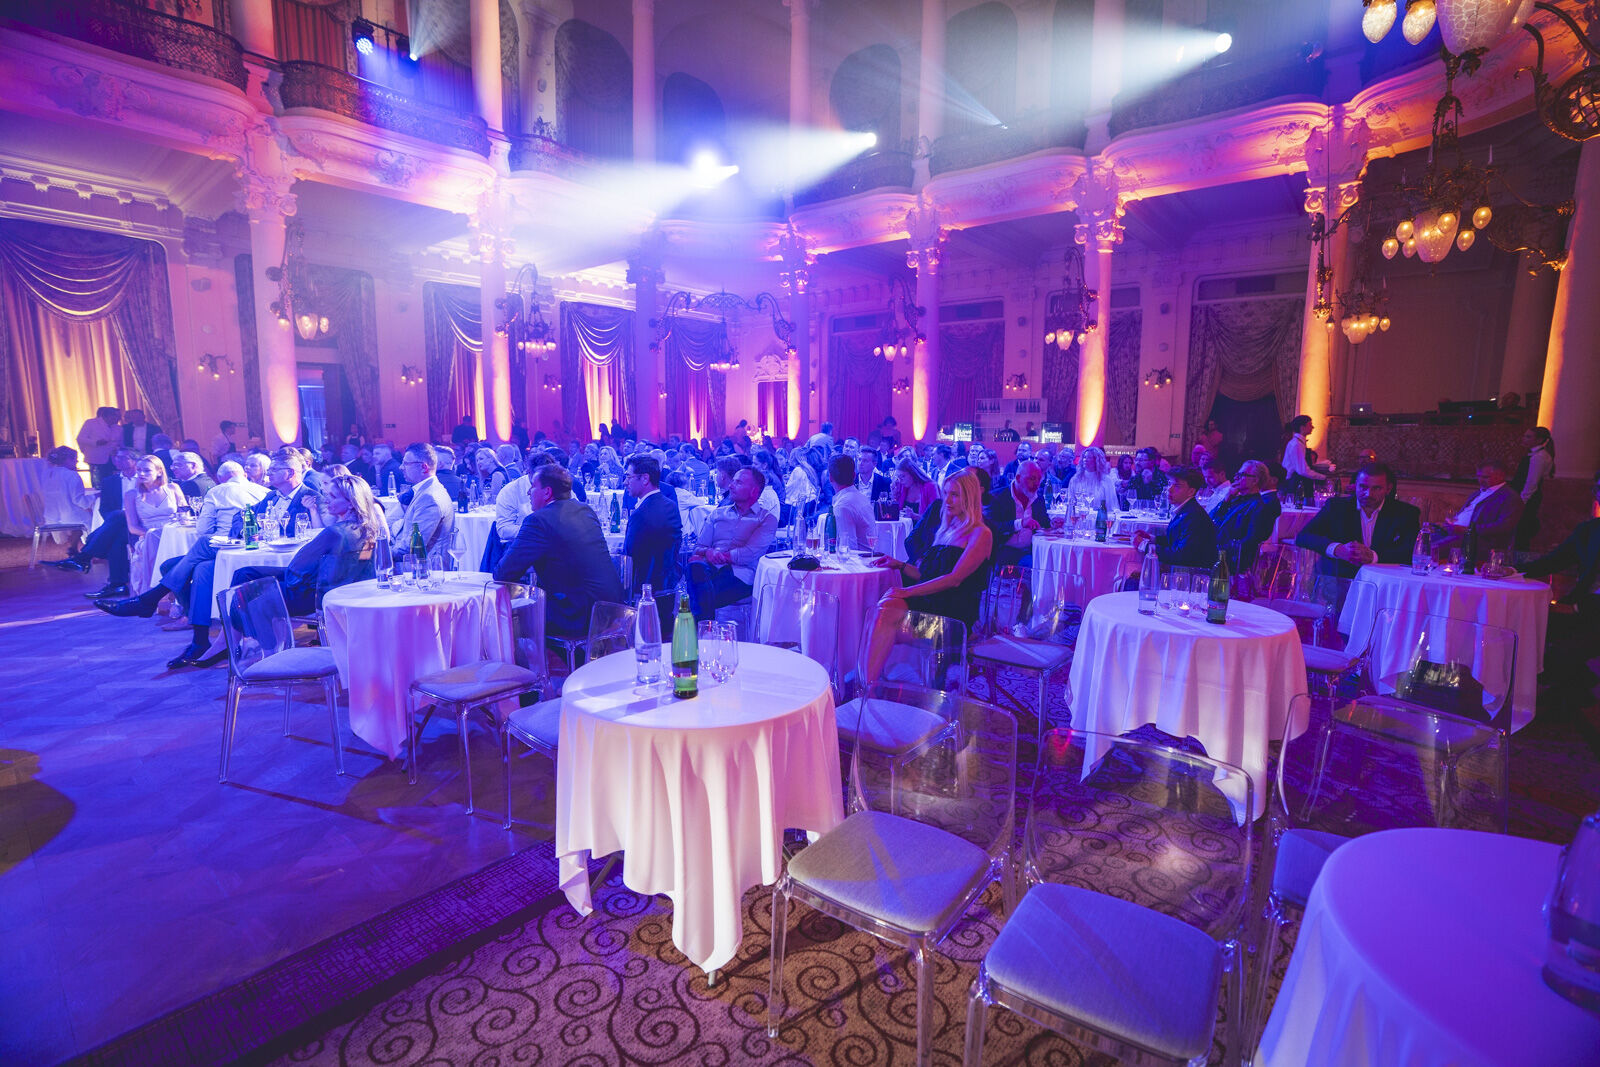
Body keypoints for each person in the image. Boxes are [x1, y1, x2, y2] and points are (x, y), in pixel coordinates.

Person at [864, 469, 994, 678]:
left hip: (952, 617)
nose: (947, 500)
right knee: (884, 607)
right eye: (946, 493)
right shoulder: (948, 527)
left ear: (969, 497)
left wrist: (907, 592)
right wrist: (900, 565)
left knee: (884, 617)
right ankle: (870, 682)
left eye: (955, 494)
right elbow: (926, 575)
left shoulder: (981, 533)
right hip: (930, 605)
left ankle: (869, 683)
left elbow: (954, 579)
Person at [228, 473, 382, 620]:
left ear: (351, 504)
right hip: (337, 587)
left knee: (249, 595)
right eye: (327, 494)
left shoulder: (335, 533)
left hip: (315, 593)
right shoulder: (368, 530)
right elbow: (363, 567)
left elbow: (296, 569)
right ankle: (229, 633)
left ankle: (235, 634)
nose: (326, 500)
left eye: (333, 497)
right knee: (245, 574)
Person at [494, 465, 624, 637]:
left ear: (547, 492)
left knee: (510, 616)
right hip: (613, 607)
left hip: (576, 614)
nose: (528, 492)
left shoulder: (538, 521)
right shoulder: (585, 510)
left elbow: (503, 573)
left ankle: (525, 655)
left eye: (532, 487)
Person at [1295, 462, 1421, 579]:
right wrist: (1338, 549)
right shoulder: (1336, 507)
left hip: (1384, 581)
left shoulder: (1405, 513)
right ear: (1355, 485)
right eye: (1363, 487)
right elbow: (1303, 536)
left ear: (1388, 489)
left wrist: (1374, 556)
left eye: (1376, 488)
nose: (1368, 494)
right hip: (1339, 580)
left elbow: (1412, 551)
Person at [687, 467, 777, 621]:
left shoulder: (766, 519)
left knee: (700, 589)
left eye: (738, 482)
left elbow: (749, 554)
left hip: (742, 573)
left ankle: (700, 627)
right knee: (696, 568)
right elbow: (699, 546)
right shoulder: (717, 513)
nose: (731, 485)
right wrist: (708, 552)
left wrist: (719, 556)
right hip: (710, 567)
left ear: (754, 491)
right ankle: (705, 628)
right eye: (733, 481)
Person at [48, 447, 139, 597]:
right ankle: (117, 585)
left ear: (135, 460)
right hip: (121, 525)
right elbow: (105, 509)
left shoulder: (144, 479)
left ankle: (84, 558)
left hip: (139, 523)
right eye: (116, 457)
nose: (118, 460)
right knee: (116, 533)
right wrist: (116, 521)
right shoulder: (110, 481)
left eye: (124, 457)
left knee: (117, 519)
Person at [621, 454, 682, 628]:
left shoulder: (641, 515)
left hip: (645, 595)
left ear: (645, 479)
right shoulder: (670, 506)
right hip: (668, 588)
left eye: (629, 477)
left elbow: (629, 558)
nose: (625, 482)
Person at [1132, 466, 1219, 571]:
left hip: (1192, 575)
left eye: (1177, 486)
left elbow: (1181, 556)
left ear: (1191, 491)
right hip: (1182, 571)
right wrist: (1152, 538)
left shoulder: (1194, 516)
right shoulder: (1186, 510)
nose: (1169, 489)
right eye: (1169, 483)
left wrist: (1144, 545)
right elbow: (1176, 541)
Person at [1434, 459, 1523, 555]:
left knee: (1433, 547)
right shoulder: (1478, 493)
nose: (1480, 480)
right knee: (1426, 537)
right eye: (1478, 476)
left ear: (1501, 476)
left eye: (1485, 477)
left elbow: (1503, 527)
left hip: (1479, 541)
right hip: (1459, 534)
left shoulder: (1510, 497)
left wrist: (1468, 530)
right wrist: (1450, 524)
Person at [124, 455, 183, 594]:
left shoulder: (173, 488)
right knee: (152, 544)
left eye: (147, 470)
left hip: (174, 534)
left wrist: (170, 533)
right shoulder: (131, 494)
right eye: (139, 470)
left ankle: (174, 596)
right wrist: (154, 535)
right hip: (148, 536)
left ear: (159, 471)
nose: (141, 474)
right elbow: (132, 527)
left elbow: (184, 516)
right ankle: (155, 592)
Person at [1211, 460, 1278, 572]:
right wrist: (1226, 500)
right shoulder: (1234, 500)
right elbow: (1210, 519)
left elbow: (1250, 542)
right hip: (1218, 554)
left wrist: (1220, 550)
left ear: (1255, 481)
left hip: (1232, 561)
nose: (1236, 478)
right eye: (1237, 474)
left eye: (1242, 475)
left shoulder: (1259, 507)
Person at [390, 443, 455, 553]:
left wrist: (379, 554)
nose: (401, 467)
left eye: (406, 463)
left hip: (425, 563)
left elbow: (413, 547)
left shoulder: (429, 498)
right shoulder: (427, 490)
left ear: (424, 467)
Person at [984, 458, 1048, 568]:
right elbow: (990, 528)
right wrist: (1020, 523)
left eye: (1039, 479)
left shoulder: (1038, 497)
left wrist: (1054, 523)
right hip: (1004, 551)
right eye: (1032, 479)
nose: (1037, 483)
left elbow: (1043, 521)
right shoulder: (996, 497)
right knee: (1035, 565)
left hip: (1032, 550)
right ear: (1018, 478)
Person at [1513, 426, 1555, 551]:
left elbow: (1531, 483)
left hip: (1529, 499)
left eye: (1528, 437)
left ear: (1539, 440)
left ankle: (1520, 560)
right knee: (1521, 532)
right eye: (1525, 436)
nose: (1524, 439)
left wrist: (1522, 502)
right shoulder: (1535, 455)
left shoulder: (1539, 457)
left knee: (1523, 532)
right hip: (1527, 497)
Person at [41, 446, 94, 542]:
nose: (77, 461)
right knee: (94, 517)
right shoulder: (71, 475)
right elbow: (80, 501)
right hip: (70, 518)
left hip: (51, 518)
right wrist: (95, 497)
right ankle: (92, 546)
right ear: (67, 460)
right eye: (75, 459)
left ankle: (74, 547)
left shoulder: (46, 474)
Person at [824, 454, 874, 551]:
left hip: (860, 559)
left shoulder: (843, 505)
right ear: (854, 476)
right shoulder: (861, 498)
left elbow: (848, 548)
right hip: (869, 556)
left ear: (830, 478)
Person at [1281, 415, 1327, 499]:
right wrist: (1323, 477)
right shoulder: (1296, 444)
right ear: (1302, 428)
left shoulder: (1299, 443)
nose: (1313, 427)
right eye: (1310, 425)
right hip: (1296, 484)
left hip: (1299, 481)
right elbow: (1302, 470)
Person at [1067, 446, 1121, 514]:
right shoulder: (1076, 479)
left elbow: (1112, 505)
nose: (1085, 460)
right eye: (1084, 457)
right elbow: (1070, 502)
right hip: (1079, 517)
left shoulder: (1106, 480)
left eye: (1089, 457)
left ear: (1097, 460)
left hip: (1100, 518)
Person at [76, 405, 121, 487]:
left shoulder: (118, 428)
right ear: (107, 416)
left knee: (113, 484)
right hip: (96, 458)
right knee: (98, 484)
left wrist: (118, 449)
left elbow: (121, 443)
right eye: (115, 416)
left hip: (113, 460)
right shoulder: (91, 423)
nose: (118, 418)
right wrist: (96, 442)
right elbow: (80, 438)